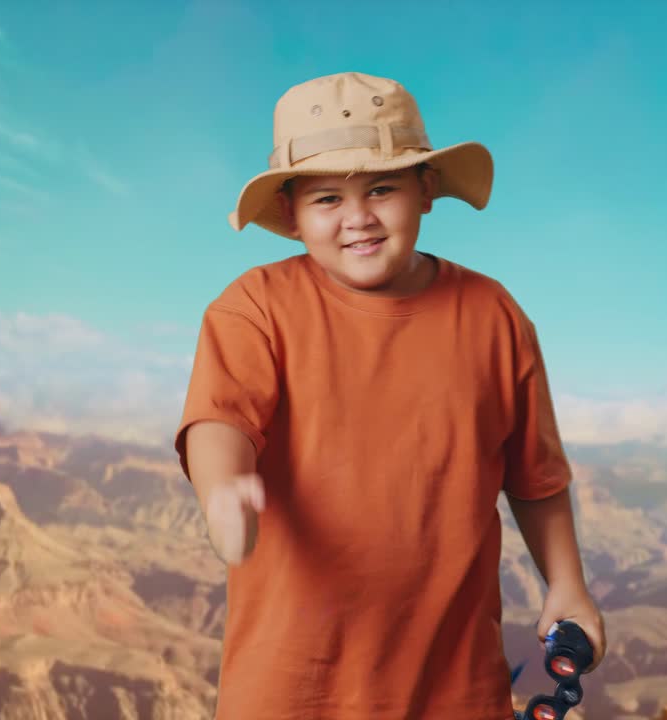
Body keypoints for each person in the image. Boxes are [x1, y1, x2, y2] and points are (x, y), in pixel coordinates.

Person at [174, 71, 605, 720]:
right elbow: (220, 419)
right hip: (292, 691)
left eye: (381, 189)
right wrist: (223, 487)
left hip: (457, 688)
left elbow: (535, 474)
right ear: (291, 213)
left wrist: (567, 583)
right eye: (327, 198)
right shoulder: (254, 308)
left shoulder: (493, 316)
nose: (358, 218)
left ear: (425, 190)